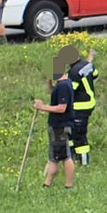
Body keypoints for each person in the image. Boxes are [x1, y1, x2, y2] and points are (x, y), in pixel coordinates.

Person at [34, 58, 77, 189]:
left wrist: (42, 107)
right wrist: (50, 83)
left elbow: (61, 108)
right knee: (55, 156)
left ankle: (69, 185)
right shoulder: (62, 83)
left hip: (61, 125)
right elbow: (56, 93)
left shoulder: (63, 86)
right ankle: (47, 184)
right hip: (56, 125)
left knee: (65, 156)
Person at [65, 45, 98, 166]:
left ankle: (84, 163)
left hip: (80, 106)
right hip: (89, 102)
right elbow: (95, 74)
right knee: (71, 132)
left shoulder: (73, 73)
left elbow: (70, 91)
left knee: (79, 135)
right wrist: (90, 58)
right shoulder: (87, 64)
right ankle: (72, 156)